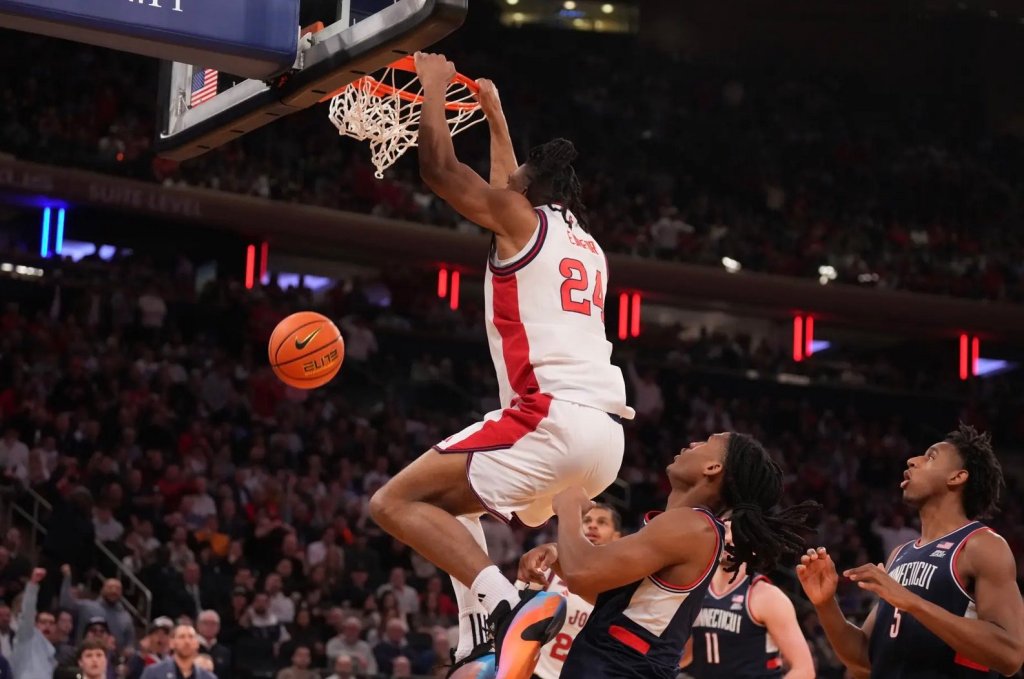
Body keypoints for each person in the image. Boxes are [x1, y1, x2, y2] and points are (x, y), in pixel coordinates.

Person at [369, 51, 634, 679]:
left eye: (515, 181)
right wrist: (494, 114)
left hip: (551, 418)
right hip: (604, 444)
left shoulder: (519, 218)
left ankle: (506, 605)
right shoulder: (586, 244)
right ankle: (475, 637)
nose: (505, 183)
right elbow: (505, 186)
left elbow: (440, 170)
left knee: (393, 503)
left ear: (527, 194)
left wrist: (434, 88)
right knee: (452, 506)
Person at [519, 433, 816, 679]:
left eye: (706, 442)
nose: (693, 443)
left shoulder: (693, 526)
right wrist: (557, 555)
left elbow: (581, 574)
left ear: (713, 467)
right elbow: (606, 592)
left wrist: (569, 507)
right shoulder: (689, 527)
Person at [797, 424, 1024, 678]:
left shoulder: (981, 545)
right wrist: (826, 604)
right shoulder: (900, 554)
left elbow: (1010, 654)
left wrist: (912, 602)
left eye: (931, 457)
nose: (912, 460)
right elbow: (863, 658)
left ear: (957, 477)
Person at [681, 522, 814, 678]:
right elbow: (685, 657)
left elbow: (804, 670)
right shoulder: (694, 590)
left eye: (738, 533)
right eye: (725, 529)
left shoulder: (767, 596)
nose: (729, 538)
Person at [529, 503, 623, 679]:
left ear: (617, 536)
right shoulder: (551, 566)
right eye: (587, 521)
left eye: (602, 522)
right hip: (533, 670)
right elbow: (514, 613)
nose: (592, 525)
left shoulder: (620, 585)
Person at [11, 568, 57, 679]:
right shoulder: (26, 637)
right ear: (35, 624)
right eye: (43, 622)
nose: (47, 626)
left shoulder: (51, 652)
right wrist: (33, 584)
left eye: (51, 623)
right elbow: (27, 614)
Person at [140, 625, 216, 679]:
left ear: (197, 644)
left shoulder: (208, 677)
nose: (187, 641)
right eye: (181, 637)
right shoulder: (153, 673)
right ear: (172, 643)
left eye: (191, 637)